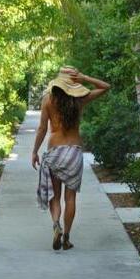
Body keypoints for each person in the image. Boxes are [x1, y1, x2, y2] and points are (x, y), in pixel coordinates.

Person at [32, 66, 110, 250]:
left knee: (55, 196)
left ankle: (56, 225)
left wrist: (35, 151)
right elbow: (106, 87)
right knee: (71, 198)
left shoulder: (48, 100)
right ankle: (66, 237)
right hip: (74, 152)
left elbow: (42, 128)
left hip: (55, 151)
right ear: (73, 83)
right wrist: (85, 77)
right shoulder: (80, 100)